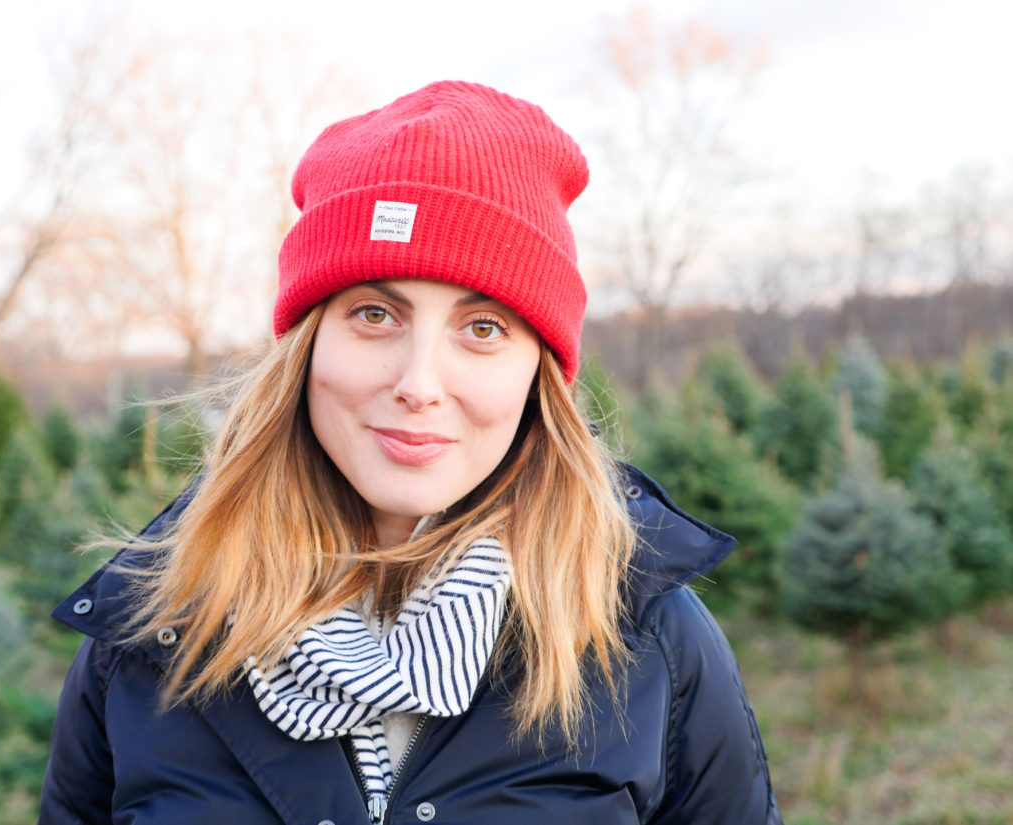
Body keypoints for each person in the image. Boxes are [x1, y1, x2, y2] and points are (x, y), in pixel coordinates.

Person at [39, 80, 781, 825]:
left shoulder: (649, 636)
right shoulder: (152, 632)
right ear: (307, 346)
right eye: (374, 313)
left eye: (483, 328)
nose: (419, 382)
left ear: (538, 375)